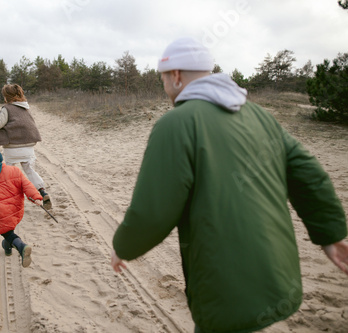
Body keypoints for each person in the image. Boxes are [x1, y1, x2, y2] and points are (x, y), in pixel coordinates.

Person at [110, 37, 348, 333]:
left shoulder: (177, 124)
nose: (164, 87)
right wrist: (331, 234)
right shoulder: (261, 116)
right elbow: (309, 176)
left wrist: (124, 246)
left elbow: (154, 211)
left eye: (162, 79)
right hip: (279, 282)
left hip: (226, 294)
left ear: (176, 76)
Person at [0, 83, 52, 210]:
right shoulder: (26, 107)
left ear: (6, 96)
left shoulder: (7, 108)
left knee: (8, 173)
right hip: (28, 147)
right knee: (30, 170)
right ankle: (43, 192)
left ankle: (9, 199)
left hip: (12, 147)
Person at [0, 145, 43, 267]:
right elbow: (26, 185)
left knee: (6, 231)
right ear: (0, 157)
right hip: (16, 207)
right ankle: (7, 247)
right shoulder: (14, 171)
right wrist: (36, 198)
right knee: (8, 230)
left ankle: (21, 246)